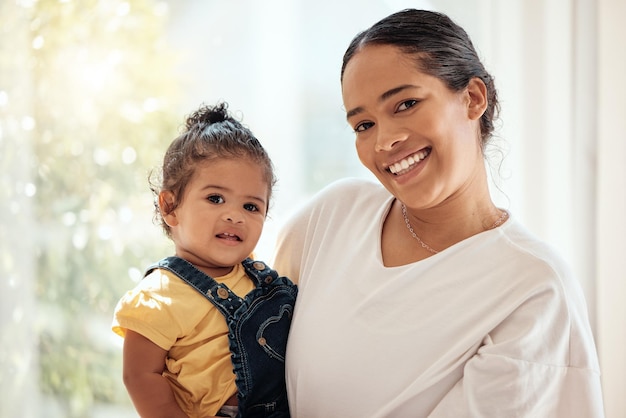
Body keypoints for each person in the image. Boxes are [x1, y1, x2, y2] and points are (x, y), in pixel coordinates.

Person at [272, 9, 604, 418]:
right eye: (363, 125)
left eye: (406, 103)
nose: (384, 141)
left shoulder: (533, 288)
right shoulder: (328, 219)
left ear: (473, 98)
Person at [112, 102, 296, 418]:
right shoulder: (158, 296)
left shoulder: (256, 277)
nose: (234, 215)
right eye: (215, 198)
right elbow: (138, 375)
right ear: (170, 207)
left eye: (251, 207)